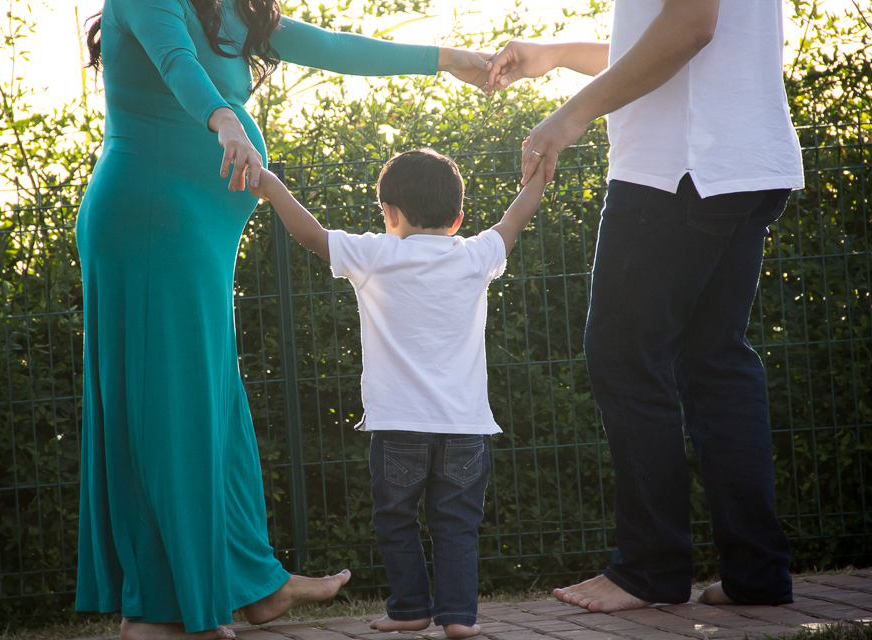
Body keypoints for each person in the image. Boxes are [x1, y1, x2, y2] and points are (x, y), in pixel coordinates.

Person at [73, 1, 496, 638]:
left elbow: (332, 46)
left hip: (200, 235)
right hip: (153, 221)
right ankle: (162, 607)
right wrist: (225, 119)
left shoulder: (224, 11)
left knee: (215, 410)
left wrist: (446, 60)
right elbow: (176, 61)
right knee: (170, 411)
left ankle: (251, 583)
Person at [485, 0, 803, 612]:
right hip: (743, 160)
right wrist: (553, 56)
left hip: (676, 170)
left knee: (626, 359)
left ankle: (649, 570)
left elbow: (688, 29)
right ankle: (756, 574)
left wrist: (570, 115)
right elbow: (668, 53)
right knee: (717, 362)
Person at [245, 149, 547, 638]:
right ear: (458, 218)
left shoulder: (377, 254)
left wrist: (273, 187)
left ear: (390, 213)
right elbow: (515, 218)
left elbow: (311, 235)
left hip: (399, 424)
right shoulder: (475, 255)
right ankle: (459, 618)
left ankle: (409, 607)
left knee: (396, 520)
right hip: (465, 427)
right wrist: (539, 175)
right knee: (457, 525)